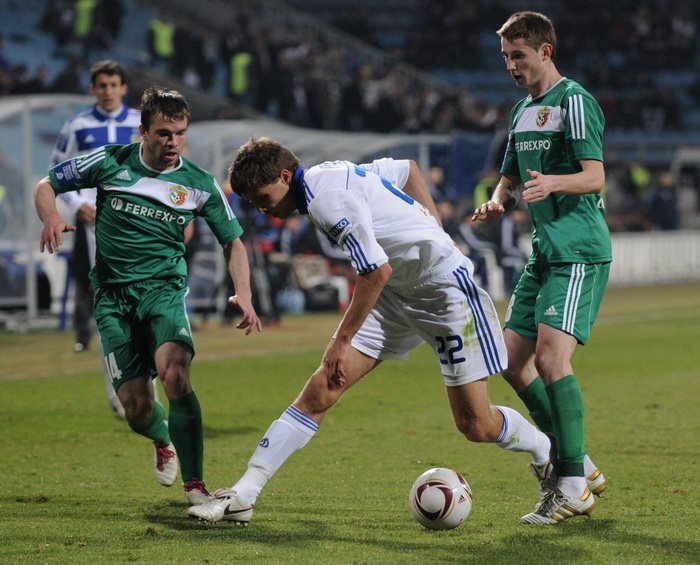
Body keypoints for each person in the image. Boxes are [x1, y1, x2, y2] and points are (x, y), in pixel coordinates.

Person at [188, 138, 553, 525]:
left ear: (283, 176)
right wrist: (433, 223)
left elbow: (375, 271)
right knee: (321, 389)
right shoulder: (326, 174)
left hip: (443, 294)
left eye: (263, 198)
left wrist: (341, 340)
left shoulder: (327, 200)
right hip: (395, 294)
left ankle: (549, 454)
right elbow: (408, 169)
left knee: (476, 425)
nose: (263, 209)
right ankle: (244, 494)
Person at [35, 86, 262, 505]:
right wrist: (50, 216)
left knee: (175, 374)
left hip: (163, 292)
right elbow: (47, 184)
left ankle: (196, 486)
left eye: (180, 133)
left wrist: (244, 294)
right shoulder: (110, 162)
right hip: (112, 299)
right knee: (136, 408)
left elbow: (233, 241)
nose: (173, 141)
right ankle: (161, 438)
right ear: (142, 131)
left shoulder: (199, 183)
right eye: (163, 133)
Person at [472, 11, 612, 525]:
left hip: (578, 249)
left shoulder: (574, 101)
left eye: (519, 56)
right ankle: (579, 461)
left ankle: (571, 484)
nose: (511, 65)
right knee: (511, 361)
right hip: (545, 252)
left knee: (552, 360)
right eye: (506, 57)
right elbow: (509, 180)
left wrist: (554, 183)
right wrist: (497, 201)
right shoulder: (521, 112)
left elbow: (594, 176)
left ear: (545, 51)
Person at [49, 60, 141, 419]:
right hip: (98, 223)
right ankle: (119, 393)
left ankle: (144, 389)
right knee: (111, 303)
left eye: (113, 84)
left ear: (123, 88)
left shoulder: (141, 123)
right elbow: (56, 170)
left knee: (143, 304)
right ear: (93, 89)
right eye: (101, 85)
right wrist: (76, 204)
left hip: (140, 222)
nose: (107, 91)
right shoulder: (78, 126)